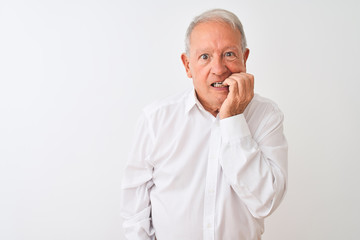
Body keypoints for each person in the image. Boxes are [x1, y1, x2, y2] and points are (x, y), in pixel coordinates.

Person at [120, 8, 288, 240]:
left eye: (229, 54)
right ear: (187, 65)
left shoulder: (266, 115)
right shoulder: (155, 120)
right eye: (205, 57)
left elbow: (265, 203)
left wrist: (233, 119)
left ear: (245, 58)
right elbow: (134, 214)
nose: (219, 69)